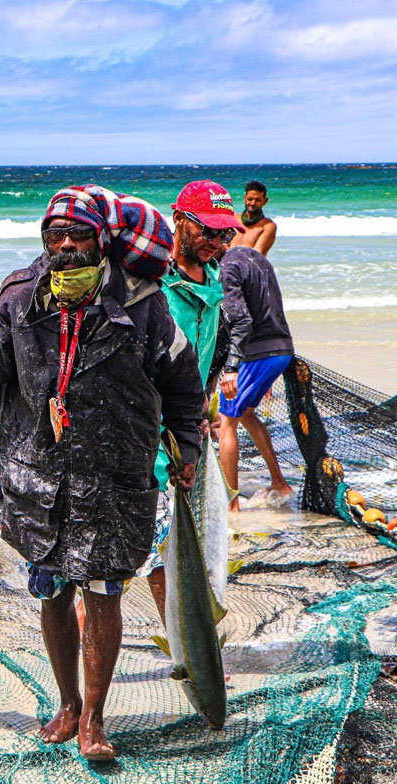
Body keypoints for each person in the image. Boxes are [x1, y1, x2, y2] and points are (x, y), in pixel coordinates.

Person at [0, 185, 204, 761]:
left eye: (77, 236)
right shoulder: (15, 299)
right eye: (53, 236)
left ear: (101, 240)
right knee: (53, 591)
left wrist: (185, 444)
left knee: (105, 594)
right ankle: (65, 703)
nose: (64, 246)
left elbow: (182, 382)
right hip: (37, 475)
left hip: (114, 476)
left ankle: (94, 718)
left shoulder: (144, 303)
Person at [130, 180, 240, 622]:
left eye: (224, 234)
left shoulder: (214, 288)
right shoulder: (152, 288)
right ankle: (190, 647)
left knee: (188, 546)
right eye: (207, 232)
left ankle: (191, 642)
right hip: (149, 440)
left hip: (189, 438)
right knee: (147, 552)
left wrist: (203, 414)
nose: (216, 243)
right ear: (178, 220)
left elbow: (212, 356)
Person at [217, 245, 294, 511]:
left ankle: (231, 505)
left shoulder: (227, 267)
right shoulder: (254, 256)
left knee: (225, 421)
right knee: (246, 414)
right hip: (282, 348)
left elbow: (241, 321)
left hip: (258, 353)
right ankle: (279, 483)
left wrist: (231, 367)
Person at [229, 180, 277, 255]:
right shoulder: (233, 219)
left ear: (265, 201)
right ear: (245, 198)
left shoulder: (268, 226)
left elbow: (257, 254)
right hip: (227, 264)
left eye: (257, 200)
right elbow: (223, 247)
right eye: (250, 199)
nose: (252, 203)